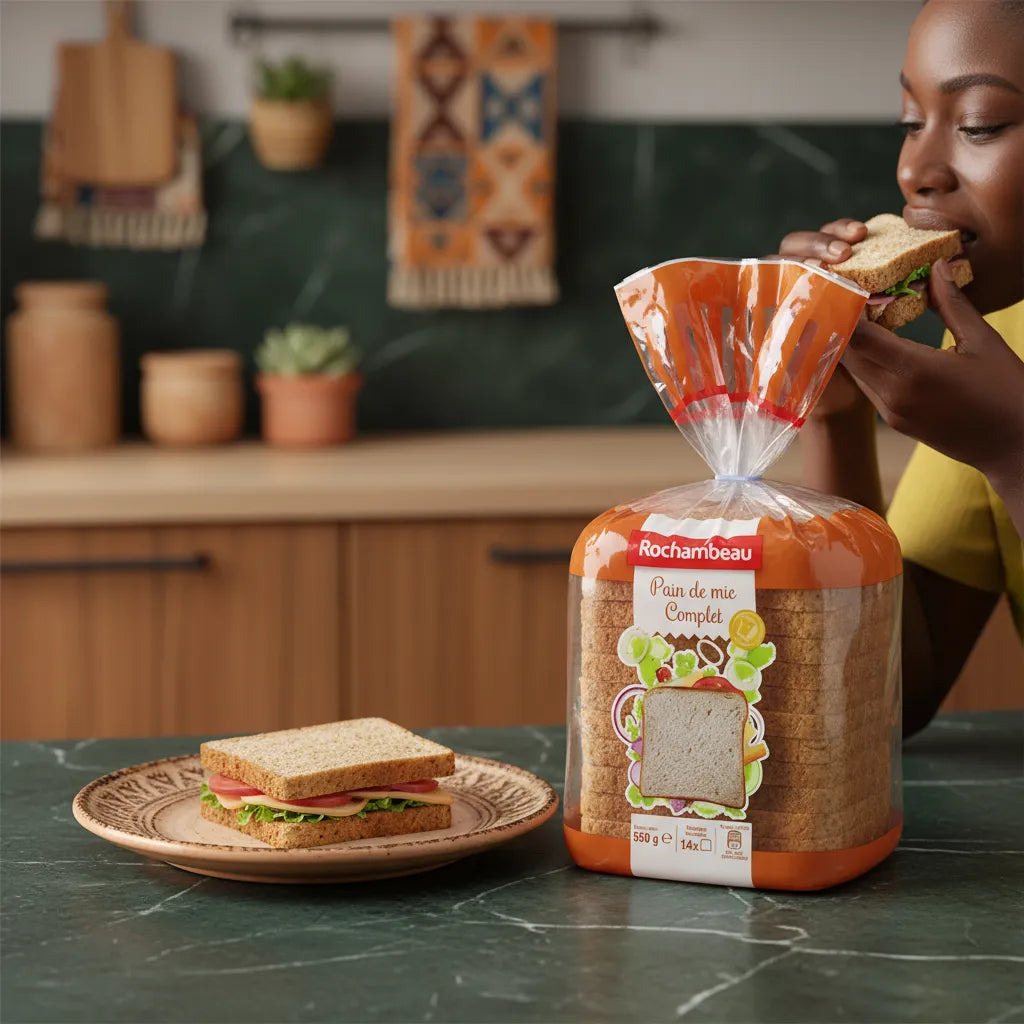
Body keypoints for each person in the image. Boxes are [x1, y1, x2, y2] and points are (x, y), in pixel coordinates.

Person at [778, 0, 1024, 736]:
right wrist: (834, 410)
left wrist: (1015, 453)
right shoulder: (999, 344)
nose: (914, 170)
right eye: (911, 121)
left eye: (978, 123)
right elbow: (883, 691)